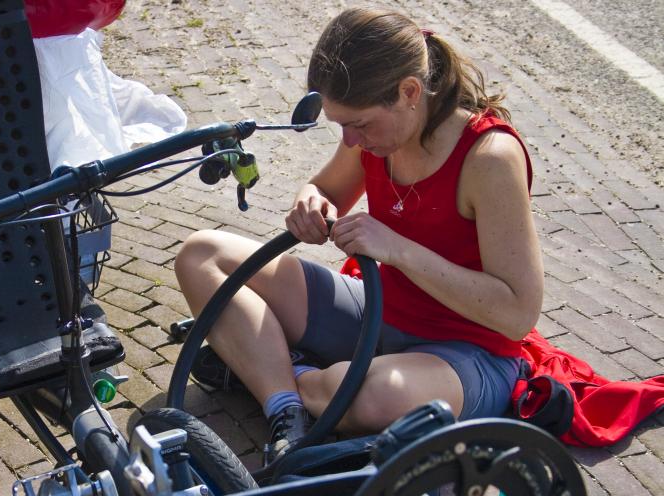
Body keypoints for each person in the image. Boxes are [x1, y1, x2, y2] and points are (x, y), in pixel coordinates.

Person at [174, 8, 543, 461]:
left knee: (375, 397)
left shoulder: (489, 156)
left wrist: (399, 251)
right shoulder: (380, 132)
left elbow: (517, 313)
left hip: (468, 352)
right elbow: (326, 188)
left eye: (359, 124)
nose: (350, 141)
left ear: (409, 92)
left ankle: (266, 368)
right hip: (380, 308)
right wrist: (310, 202)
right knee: (201, 255)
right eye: (340, 125)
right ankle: (287, 408)